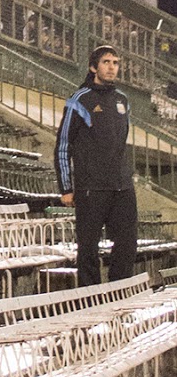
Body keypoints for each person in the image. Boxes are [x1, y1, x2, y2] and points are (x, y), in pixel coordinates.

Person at [55, 46, 138, 286]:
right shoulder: (80, 99)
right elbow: (63, 145)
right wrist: (66, 188)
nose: (112, 67)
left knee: (127, 244)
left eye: (115, 62)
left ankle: (119, 293)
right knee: (88, 248)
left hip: (122, 186)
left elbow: (120, 142)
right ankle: (90, 299)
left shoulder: (123, 100)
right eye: (106, 62)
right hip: (91, 187)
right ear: (93, 67)